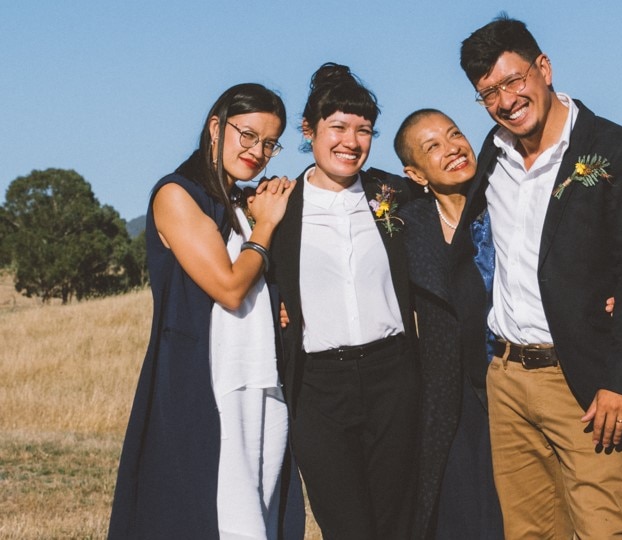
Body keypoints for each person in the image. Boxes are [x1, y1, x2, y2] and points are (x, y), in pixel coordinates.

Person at [456, 16, 622, 539]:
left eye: (513, 81)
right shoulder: (492, 154)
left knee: (603, 530)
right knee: (528, 533)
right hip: (505, 378)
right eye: (488, 94)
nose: (505, 101)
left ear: (543, 68)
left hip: (581, 380)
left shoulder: (617, 150)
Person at [108, 83, 304, 539]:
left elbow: (254, 286)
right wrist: (268, 225)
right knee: (224, 523)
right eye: (247, 134)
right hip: (212, 384)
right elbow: (231, 288)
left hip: (265, 382)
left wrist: (279, 303)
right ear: (216, 127)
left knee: (267, 518)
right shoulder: (178, 195)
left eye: (270, 143)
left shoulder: (240, 203)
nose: (258, 151)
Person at [270, 63, 418, 540]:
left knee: (398, 521)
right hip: (318, 388)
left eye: (364, 130)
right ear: (309, 130)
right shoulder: (277, 206)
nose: (351, 141)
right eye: (337, 127)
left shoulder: (395, 196)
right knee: (346, 524)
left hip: (393, 377)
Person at [394, 109, 504, 540]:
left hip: (514, 380)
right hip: (449, 395)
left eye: (454, 134)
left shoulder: (507, 198)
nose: (452, 148)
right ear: (415, 173)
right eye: (432, 147)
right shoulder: (407, 224)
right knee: (458, 516)